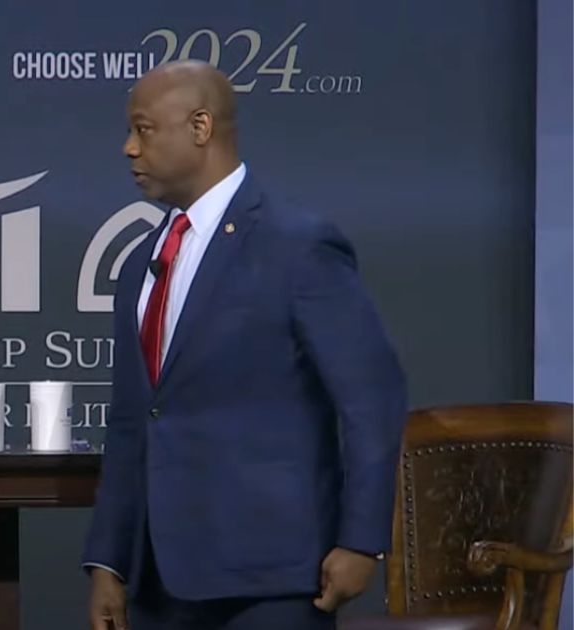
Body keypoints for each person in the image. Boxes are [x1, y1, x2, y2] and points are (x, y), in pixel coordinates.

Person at [82, 61, 408, 630]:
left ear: (200, 127)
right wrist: (109, 560)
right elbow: (135, 420)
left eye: (144, 129)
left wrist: (362, 541)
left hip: (273, 579)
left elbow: (371, 400)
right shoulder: (140, 264)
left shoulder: (297, 245)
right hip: (161, 580)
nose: (128, 148)